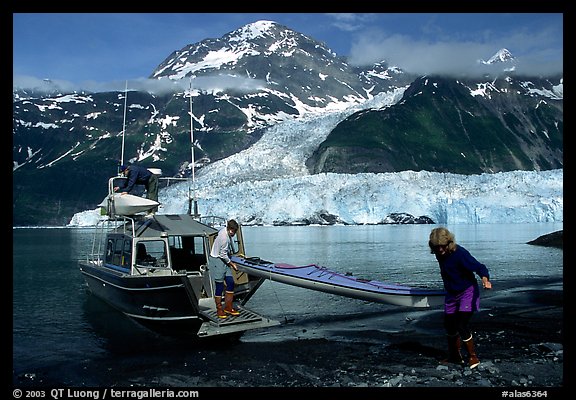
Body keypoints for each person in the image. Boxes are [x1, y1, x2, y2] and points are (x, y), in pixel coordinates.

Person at [428, 227, 492, 369]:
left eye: (442, 247)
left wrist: (485, 279)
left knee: (461, 324)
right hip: (452, 293)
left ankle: (473, 357)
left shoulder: (459, 253)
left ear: (449, 242)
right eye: (436, 247)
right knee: (449, 325)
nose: (440, 250)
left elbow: (479, 267)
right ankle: (455, 357)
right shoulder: (440, 254)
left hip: (467, 291)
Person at [209, 219, 241, 319]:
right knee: (219, 285)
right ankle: (219, 309)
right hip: (217, 260)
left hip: (224, 260)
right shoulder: (224, 239)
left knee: (230, 282)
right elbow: (222, 254)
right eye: (234, 232)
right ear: (230, 229)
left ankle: (228, 307)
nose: (234, 234)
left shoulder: (223, 231)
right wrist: (232, 264)